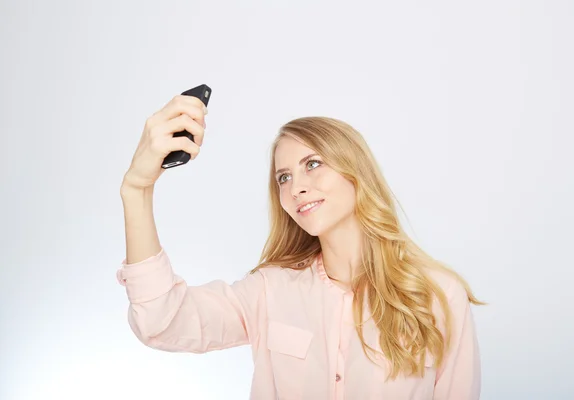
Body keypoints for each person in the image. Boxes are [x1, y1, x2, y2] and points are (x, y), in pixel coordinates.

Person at [116, 93, 484, 400]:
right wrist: (137, 189)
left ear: (356, 171)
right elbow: (161, 321)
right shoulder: (268, 290)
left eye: (313, 164)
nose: (296, 188)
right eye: (284, 177)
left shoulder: (438, 295)